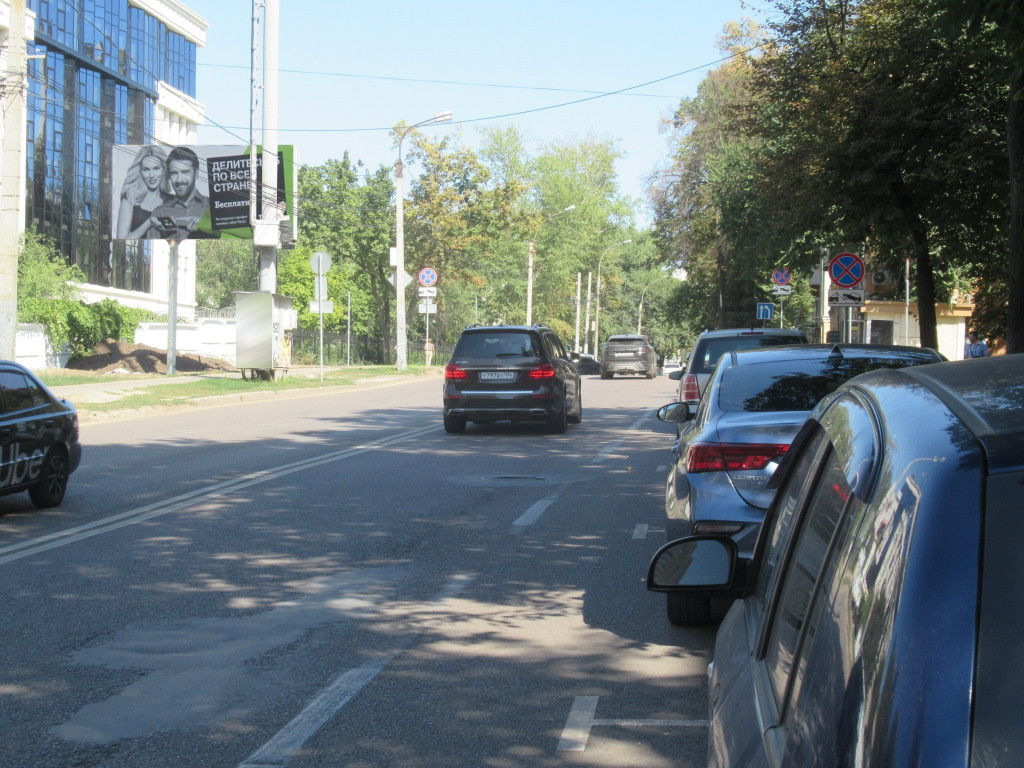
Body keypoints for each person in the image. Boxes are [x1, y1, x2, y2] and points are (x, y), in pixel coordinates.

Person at [148, 146, 210, 239]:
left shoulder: (213, 208)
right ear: (169, 175)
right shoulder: (160, 213)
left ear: (196, 174)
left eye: (185, 172)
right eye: (174, 173)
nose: (179, 180)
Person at [115, 145, 169, 239]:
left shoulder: (173, 201)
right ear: (140, 171)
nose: (151, 175)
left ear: (163, 169)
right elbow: (121, 240)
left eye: (156, 169)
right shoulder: (130, 199)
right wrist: (149, 222)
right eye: (146, 170)